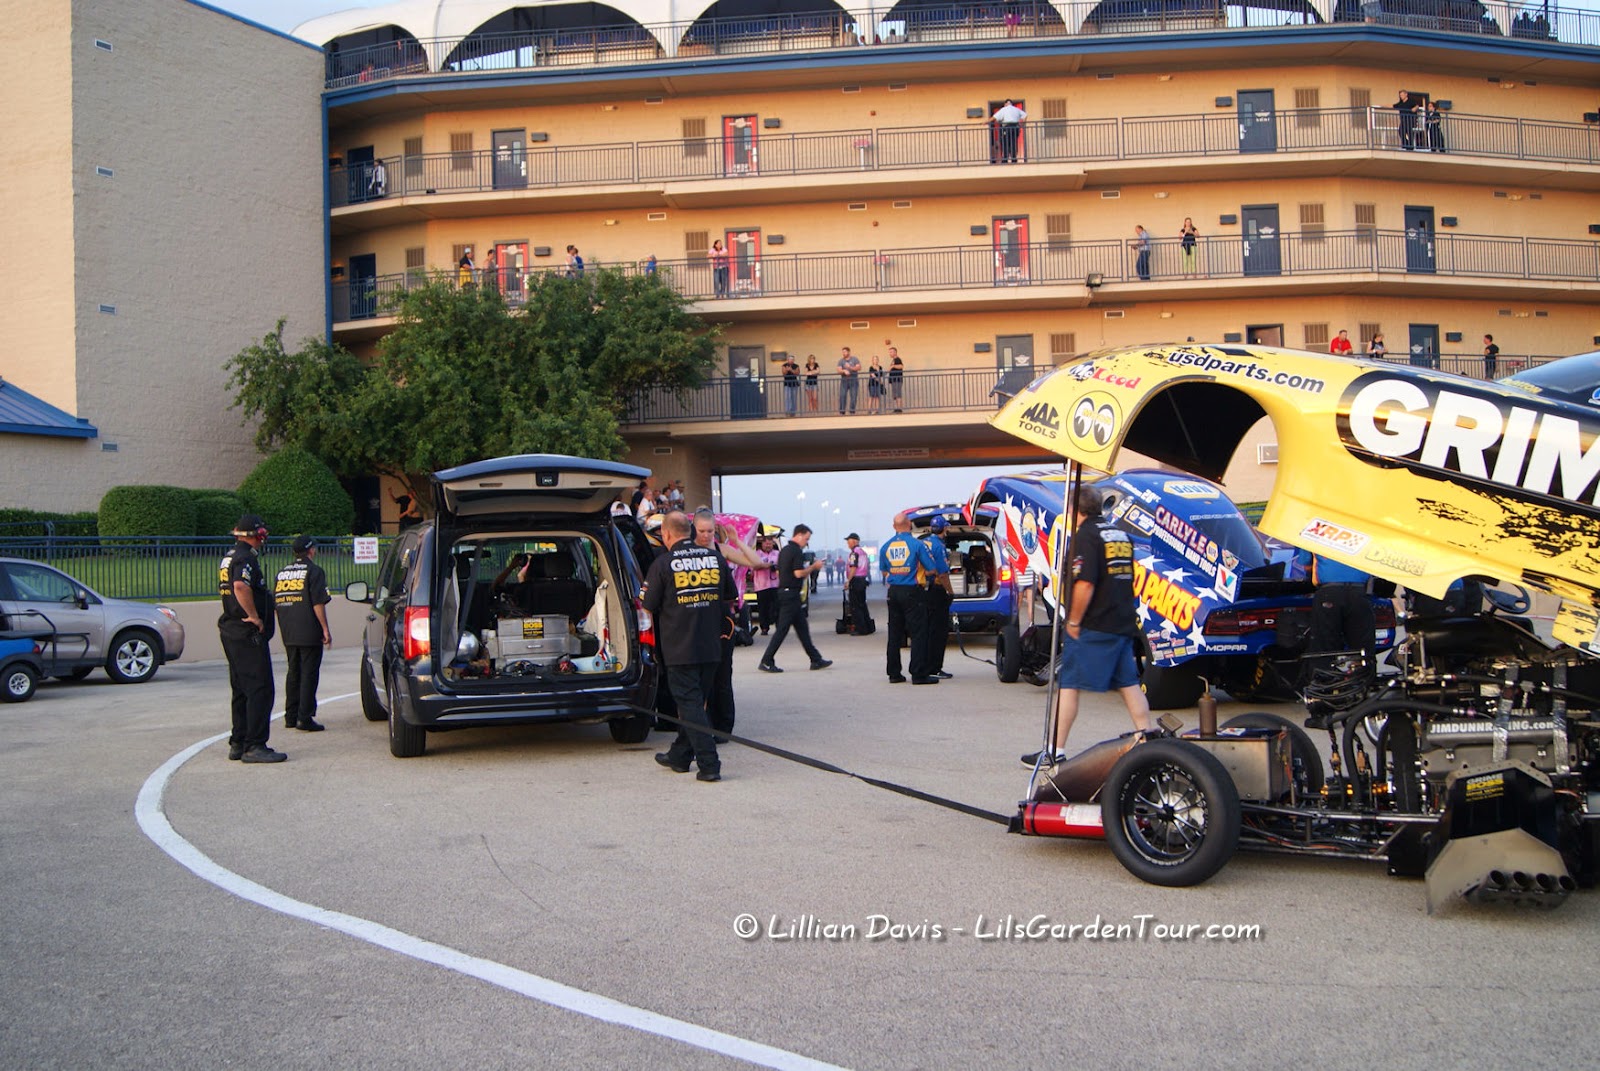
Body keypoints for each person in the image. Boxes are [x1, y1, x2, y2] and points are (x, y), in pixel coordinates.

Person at [1020, 486, 1152, 766]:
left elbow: (1085, 584)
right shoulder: (1119, 534)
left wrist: (1074, 621)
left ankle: (1055, 751)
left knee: (1068, 685)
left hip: (1094, 624)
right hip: (1121, 621)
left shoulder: (1085, 537)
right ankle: (1147, 739)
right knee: (1129, 683)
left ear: (1074, 510)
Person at [643, 511, 729, 781]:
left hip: (680, 648)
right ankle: (679, 756)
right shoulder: (715, 558)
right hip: (711, 646)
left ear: (666, 534)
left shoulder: (663, 563)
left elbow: (647, 605)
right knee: (695, 703)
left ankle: (709, 764)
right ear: (691, 531)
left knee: (690, 705)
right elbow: (730, 595)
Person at [218, 515, 284, 764]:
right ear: (257, 535)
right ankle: (254, 745)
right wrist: (254, 616)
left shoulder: (229, 556)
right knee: (260, 688)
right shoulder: (245, 557)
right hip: (246, 632)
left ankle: (238, 741)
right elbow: (240, 586)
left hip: (231, 629)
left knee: (241, 688)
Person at [275, 535, 332, 732]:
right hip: (309, 629)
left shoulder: (282, 573)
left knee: (293, 672)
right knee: (309, 673)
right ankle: (304, 717)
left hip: (288, 630)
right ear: (311, 550)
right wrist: (325, 628)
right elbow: (318, 602)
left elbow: (277, 604)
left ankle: (290, 715)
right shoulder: (314, 571)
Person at [758, 524, 832, 673]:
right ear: (799, 535)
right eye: (806, 539)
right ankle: (766, 660)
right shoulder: (796, 551)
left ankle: (815, 659)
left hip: (787, 593)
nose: (807, 542)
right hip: (790, 594)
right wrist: (814, 567)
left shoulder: (785, 550)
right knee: (782, 630)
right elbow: (798, 573)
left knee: (802, 629)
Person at [879, 511, 942, 685]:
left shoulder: (885, 547)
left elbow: (884, 571)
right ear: (909, 525)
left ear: (894, 527)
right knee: (918, 633)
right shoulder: (917, 545)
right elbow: (931, 568)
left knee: (894, 634)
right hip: (913, 591)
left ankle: (894, 673)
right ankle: (918, 673)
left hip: (893, 592)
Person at [1309, 553, 1377, 678]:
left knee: (1324, 643)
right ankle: (1364, 679)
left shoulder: (1312, 539)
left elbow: (1306, 565)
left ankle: (1324, 681)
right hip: (1359, 591)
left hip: (1328, 591)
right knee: (1363, 644)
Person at [920, 516, 955, 679]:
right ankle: (935, 667)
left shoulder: (923, 543)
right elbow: (942, 574)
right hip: (937, 591)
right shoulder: (939, 546)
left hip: (923, 590)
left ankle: (925, 665)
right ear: (943, 529)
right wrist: (950, 592)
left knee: (926, 630)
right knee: (939, 632)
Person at [845, 533, 873, 635]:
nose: (848, 544)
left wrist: (848, 580)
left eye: (849, 541)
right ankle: (868, 627)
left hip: (856, 580)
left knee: (855, 606)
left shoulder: (854, 553)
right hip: (862, 580)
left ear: (855, 541)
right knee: (862, 604)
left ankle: (861, 629)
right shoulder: (863, 552)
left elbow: (853, 567)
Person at [753, 534, 781, 634]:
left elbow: (782, 565)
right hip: (761, 586)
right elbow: (754, 566)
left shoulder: (778, 554)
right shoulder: (756, 554)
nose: (768, 545)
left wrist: (776, 567)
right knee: (763, 608)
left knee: (777, 607)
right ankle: (764, 628)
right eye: (766, 543)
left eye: (770, 543)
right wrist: (768, 565)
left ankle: (779, 627)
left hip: (775, 585)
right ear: (762, 544)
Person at [990, 99, 1026, 163]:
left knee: (1005, 143)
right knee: (1013, 143)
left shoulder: (1004, 109)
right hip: (1015, 128)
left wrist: (985, 122)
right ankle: (1014, 159)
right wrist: (1022, 124)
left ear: (1005, 104)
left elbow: (994, 117)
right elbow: (1025, 115)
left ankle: (1005, 158)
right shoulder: (1016, 109)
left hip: (1007, 128)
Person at [837, 346, 862, 415]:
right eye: (843, 352)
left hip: (853, 380)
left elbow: (859, 367)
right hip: (844, 380)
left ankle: (852, 411)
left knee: (853, 396)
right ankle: (842, 412)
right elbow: (838, 370)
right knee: (842, 395)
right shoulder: (841, 361)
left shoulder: (855, 359)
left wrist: (850, 367)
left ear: (848, 352)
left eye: (845, 352)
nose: (843, 353)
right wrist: (844, 371)